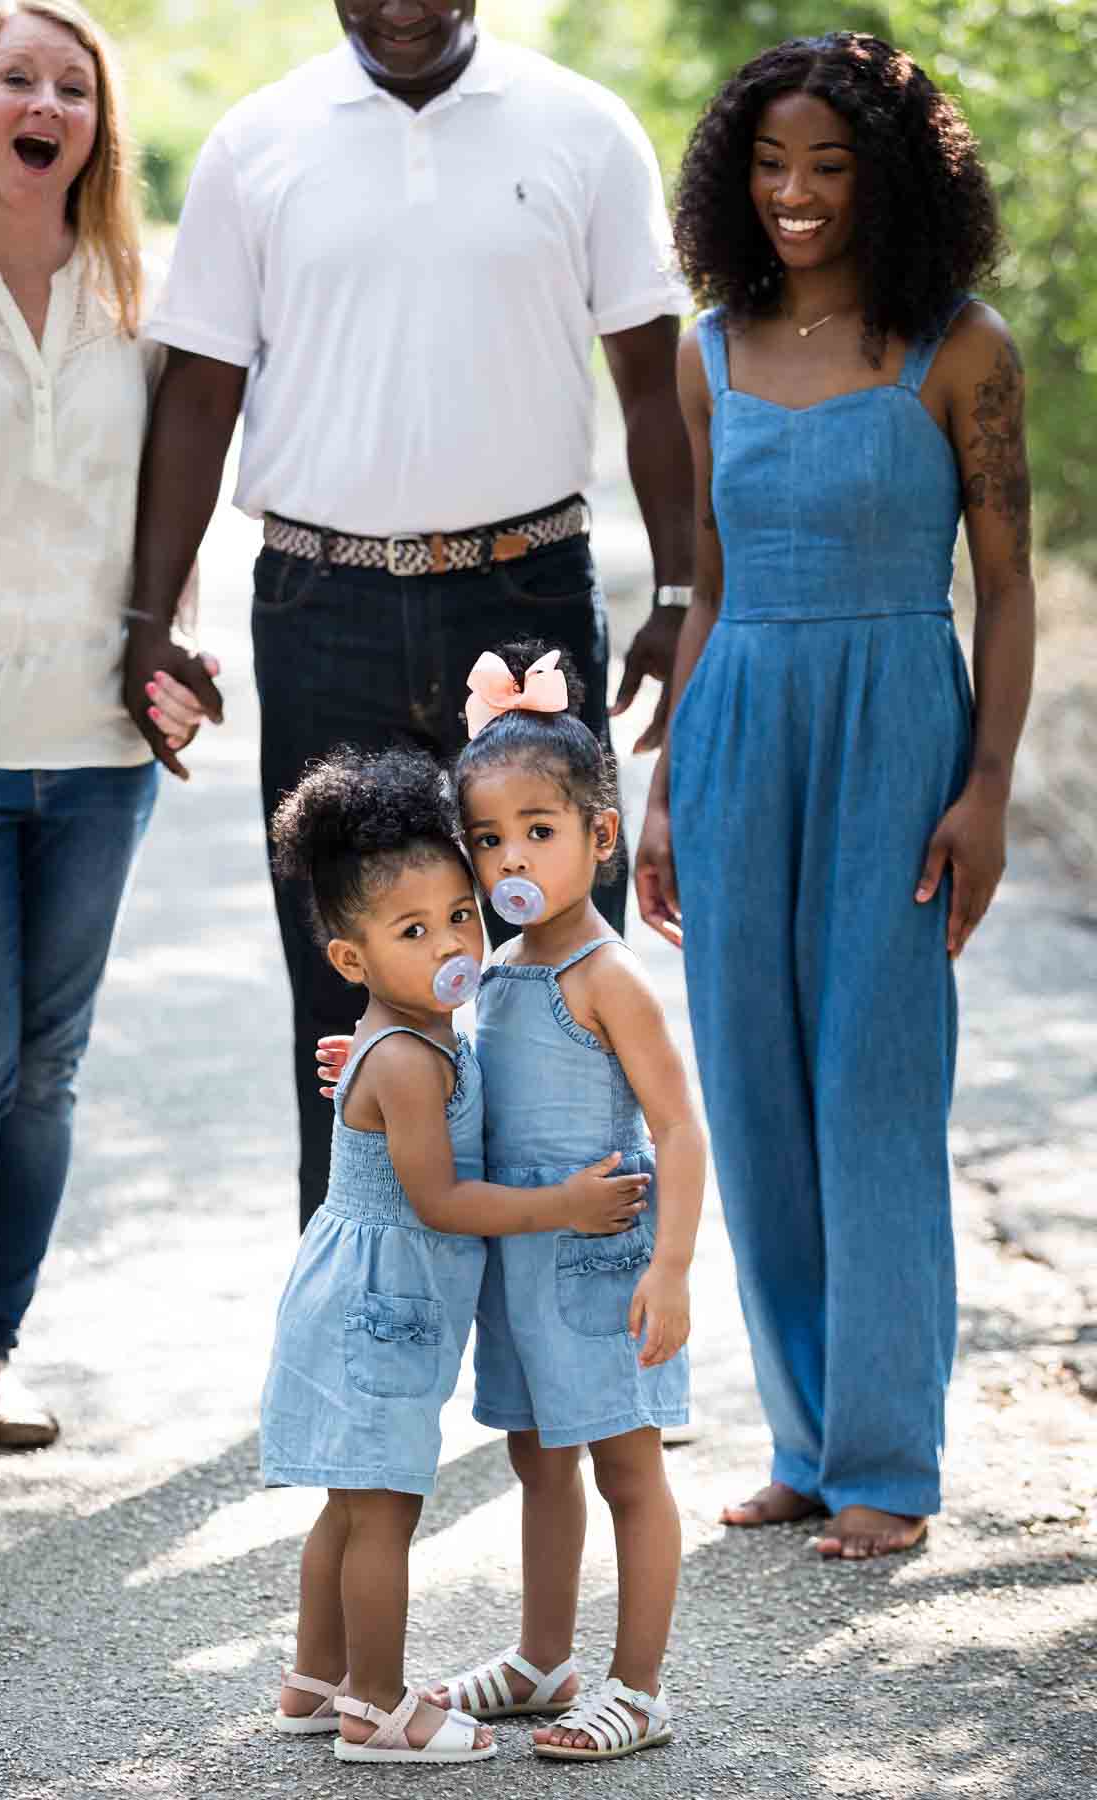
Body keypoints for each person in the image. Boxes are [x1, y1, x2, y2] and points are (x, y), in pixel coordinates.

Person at [124, 0, 696, 1232]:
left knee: (554, 969)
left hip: (527, 592)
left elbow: (656, 385)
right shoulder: (256, 142)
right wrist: (147, 615)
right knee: (346, 968)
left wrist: (683, 591)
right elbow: (198, 395)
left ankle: (574, 1324)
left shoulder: (584, 129)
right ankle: (364, 1318)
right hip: (323, 604)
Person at [635, 33, 1035, 1559]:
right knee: (753, 1091)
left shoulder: (961, 346)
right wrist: (666, 794)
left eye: (832, 164)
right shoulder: (708, 348)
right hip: (739, 734)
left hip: (894, 729)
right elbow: (711, 592)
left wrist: (987, 786)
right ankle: (802, 1438)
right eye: (771, 164)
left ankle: (889, 1463)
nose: (797, 194)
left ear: (893, 176)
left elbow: (1002, 592)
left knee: (875, 1093)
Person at [0, 0, 211, 1459]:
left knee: (45, 1066)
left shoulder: (136, 300)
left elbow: (173, 508)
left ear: (98, 125)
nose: (45, 102)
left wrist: (176, 654)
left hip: (95, 750)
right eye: (16, 76)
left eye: (73, 86)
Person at [259, 745, 651, 1766]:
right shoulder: (406, 1052)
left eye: (462, 916)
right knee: (384, 1506)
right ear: (352, 962)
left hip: (365, 1297)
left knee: (351, 1500)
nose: (453, 944)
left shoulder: (413, 1032)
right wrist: (562, 1203)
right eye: (414, 931)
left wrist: (386, 1060)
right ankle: (379, 1707)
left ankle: (312, 1682)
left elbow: (426, 1075)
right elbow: (439, 1196)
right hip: (384, 1303)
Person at [416, 641, 703, 1761]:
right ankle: (544, 1659)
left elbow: (678, 1126)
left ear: (599, 835)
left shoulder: (606, 975)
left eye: (539, 830)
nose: (510, 858)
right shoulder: (493, 967)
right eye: (488, 839)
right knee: (536, 1458)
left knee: (627, 1467)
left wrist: (671, 1270)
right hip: (520, 1263)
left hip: (602, 1267)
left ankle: (639, 1687)